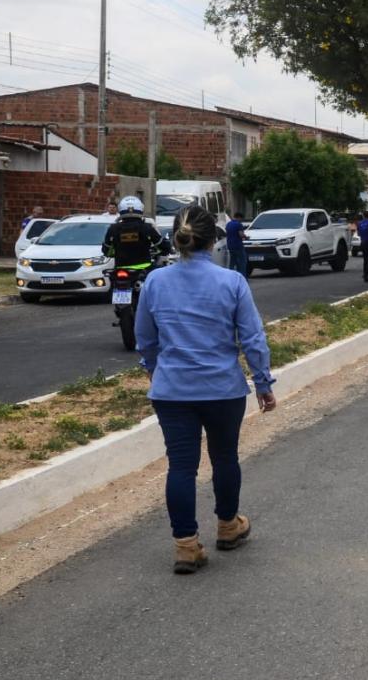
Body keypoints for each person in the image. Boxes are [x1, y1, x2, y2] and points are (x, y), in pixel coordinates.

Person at [134, 204, 275, 574]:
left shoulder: (155, 282)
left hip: (172, 390)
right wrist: (263, 382)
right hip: (222, 390)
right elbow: (253, 339)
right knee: (224, 456)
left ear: (176, 241)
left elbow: (145, 339)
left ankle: (186, 546)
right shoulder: (232, 282)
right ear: (214, 241)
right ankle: (228, 526)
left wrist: (154, 370)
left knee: (181, 466)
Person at [102, 196, 170, 273]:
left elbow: (106, 250)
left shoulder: (113, 228)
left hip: (121, 268)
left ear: (121, 210)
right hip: (144, 268)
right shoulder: (147, 227)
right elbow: (162, 245)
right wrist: (165, 248)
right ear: (140, 209)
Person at [224, 212, 248, 278]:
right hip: (238, 245)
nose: (241, 220)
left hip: (230, 246)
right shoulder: (238, 224)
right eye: (241, 219)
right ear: (239, 217)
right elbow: (241, 235)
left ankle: (230, 277)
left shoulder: (228, 224)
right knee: (242, 263)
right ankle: (242, 277)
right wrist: (246, 237)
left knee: (232, 262)